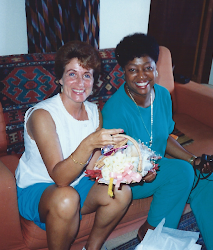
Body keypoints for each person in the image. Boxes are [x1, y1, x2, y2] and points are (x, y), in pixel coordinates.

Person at [102, 33, 213, 250]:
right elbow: (114, 165)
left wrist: (194, 160)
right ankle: (153, 234)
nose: (141, 76)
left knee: (206, 176)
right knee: (181, 172)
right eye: (133, 69)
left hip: (161, 170)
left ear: (156, 68)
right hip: (132, 180)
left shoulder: (162, 95)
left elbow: (165, 138)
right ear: (123, 72)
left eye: (147, 68)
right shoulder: (114, 110)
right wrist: (159, 170)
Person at [15, 40, 132, 250]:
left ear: (94, 80)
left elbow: (92, 167)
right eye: (72, 74)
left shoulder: (95, 112)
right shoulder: (43, 115)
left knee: (121, 191)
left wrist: (127, 165)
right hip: (40, 188)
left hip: (79, 183)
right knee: (66, 197)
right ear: (60, 78)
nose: (80, 82)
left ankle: (92, 247)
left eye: (87, 75)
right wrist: (89, 144)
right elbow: (60, 178)